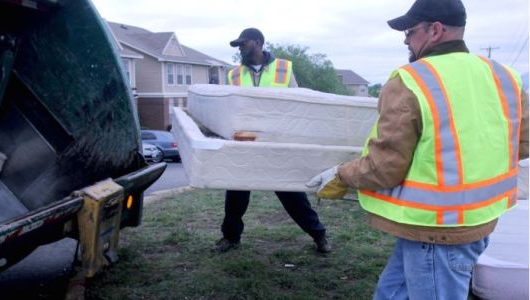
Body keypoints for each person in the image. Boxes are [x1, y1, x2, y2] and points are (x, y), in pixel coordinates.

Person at [306, 0, 529, 299]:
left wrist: (342, 174)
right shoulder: (506, 78)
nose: (406, 41)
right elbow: (522, 143)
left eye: (409, 33)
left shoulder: (412, 80)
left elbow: (384, 167)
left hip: (436, 232)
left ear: (435, 30)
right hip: (477, 223)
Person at [213, 27, 331, 254]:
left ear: (258, 43)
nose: (240, 49)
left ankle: (319, 235)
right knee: (235, 195)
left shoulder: (284, 69)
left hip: (277, 144)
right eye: (238, 46)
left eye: (243, 44)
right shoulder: (233, 74)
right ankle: (230, 238)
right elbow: (229, 107)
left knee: (292, 196)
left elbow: (298, 103)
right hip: (245, 145)